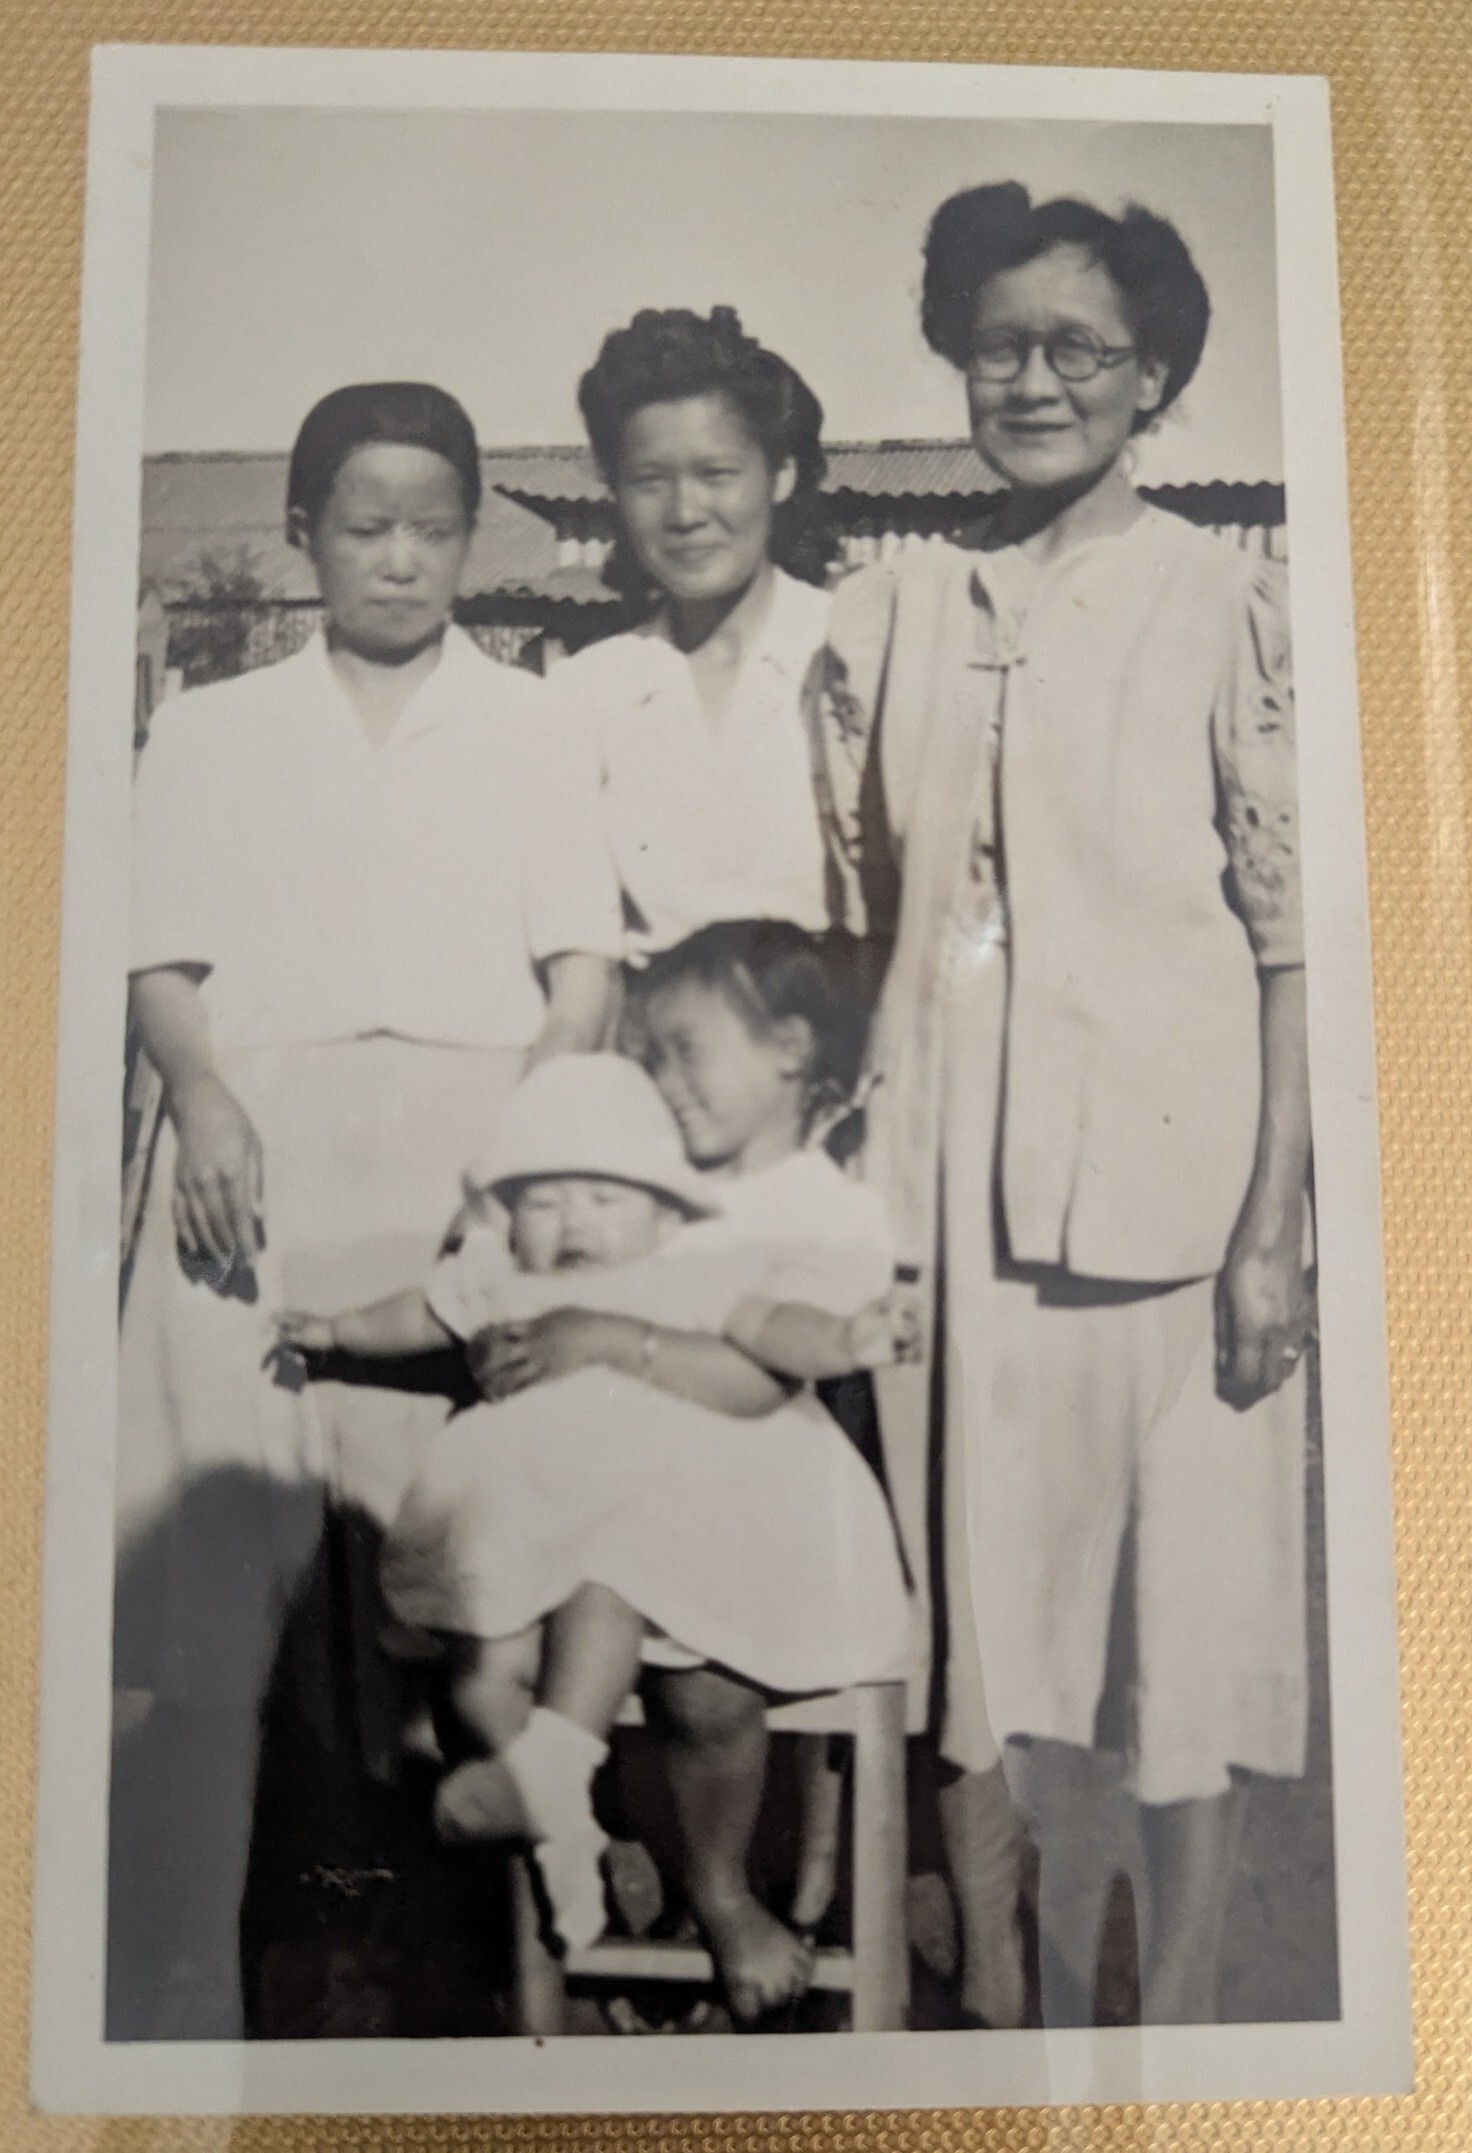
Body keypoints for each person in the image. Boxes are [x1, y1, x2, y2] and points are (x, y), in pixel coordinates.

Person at [808, 184, 1313, 2027]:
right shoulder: (896, 609)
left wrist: (1277, 1222)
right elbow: (865, 920)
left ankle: (1168, 2007)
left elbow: (1292, 933)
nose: (1030, 379)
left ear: (1152, 374)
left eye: (1076, 347)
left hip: (1179, 1215)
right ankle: (1004, 2006)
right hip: (951, 1204)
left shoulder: (1223, 600)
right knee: (977, 1620)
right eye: (995, 342)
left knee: (1186, 1622)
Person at [111, 381, 622, 2038]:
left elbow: (584, 975)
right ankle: (196, 1947)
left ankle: (455, 1957)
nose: (397, 559)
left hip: (457, 1152)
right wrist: (199, 1096)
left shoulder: (539, 723)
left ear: (474, 532)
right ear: (303, 532)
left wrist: (519, 1158)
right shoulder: (209, 726)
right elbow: (160, 958)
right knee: (221, 1541)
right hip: (250, 1145)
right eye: (361, 524)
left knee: (443, 1567)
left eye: (431, 527)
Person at [279, 1046, 912, 1985]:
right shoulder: (498, 1276)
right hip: (536, 1531)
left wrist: (844, 1337)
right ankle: (558, 1829)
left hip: (680, 1533)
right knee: (480, 1673)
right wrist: (333, 1332)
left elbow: (770, 1327)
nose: (574, 1223)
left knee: (707, 1689)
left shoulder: (690, 1272)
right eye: (544, 1200)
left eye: (605, 1198)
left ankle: (720, 1892)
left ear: (665, 1210)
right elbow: (421, 1312)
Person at [554, 305, 835, 959]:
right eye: (650, 481)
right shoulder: (585, 693)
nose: (684, 512)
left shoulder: (854, 647)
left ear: (781, 475)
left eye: (716, 474)